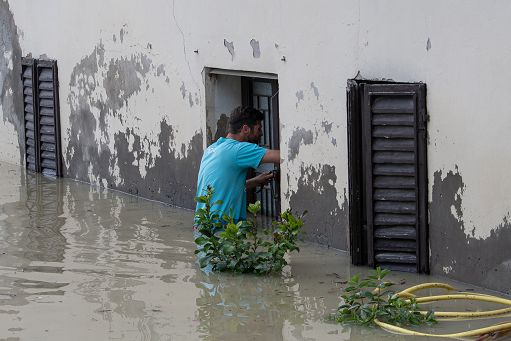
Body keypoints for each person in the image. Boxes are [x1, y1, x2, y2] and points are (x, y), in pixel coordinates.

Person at [195, 106, 280, 224]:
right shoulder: (238, 149)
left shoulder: (213, 148)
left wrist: (255, 181)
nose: (261, 134)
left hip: (203, 224)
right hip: (223, 226)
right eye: (258, 129)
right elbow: (281, 157)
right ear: (245, 129)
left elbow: (222, 187)